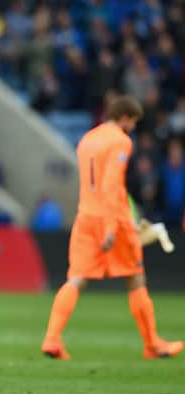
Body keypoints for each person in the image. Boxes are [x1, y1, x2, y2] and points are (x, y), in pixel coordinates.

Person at [41, 96, 183, 361]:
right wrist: (110, 226)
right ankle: (152, 343)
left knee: (76, 279)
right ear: (126, 118)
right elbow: (110, 183)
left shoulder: (87, 139)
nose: (133, 128)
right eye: (134, 122)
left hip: (85, 216)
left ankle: (52, 339)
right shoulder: (121, 141)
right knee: (135, 277)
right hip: (113, 218)